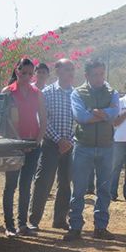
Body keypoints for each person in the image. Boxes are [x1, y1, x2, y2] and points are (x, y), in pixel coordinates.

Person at [64, 59, 119, 241]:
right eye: (95, 74)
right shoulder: (77, 93)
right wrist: (104, 114)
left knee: (104, 189)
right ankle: (75, 227)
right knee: (78, 189)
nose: (99, 78)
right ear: (86, 76)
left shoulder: (112, 92)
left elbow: (115, 114)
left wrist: (94, 112)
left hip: (106, 146)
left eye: (101, 74)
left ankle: (101, 227)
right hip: (83, 146)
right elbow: (80, 117)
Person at [0, 58, 47, 237]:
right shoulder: (8, 92)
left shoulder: (37, 93)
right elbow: (3, 122)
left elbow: (43, 119)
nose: (26, 76)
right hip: (12, 146)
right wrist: (16, 142)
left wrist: (37, 141)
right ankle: (9, 226)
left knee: (26, 185)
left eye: (30, 73)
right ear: (17, 71)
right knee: (10, 185)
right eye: (23, 72)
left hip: (32, 144)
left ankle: (22, 225)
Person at [28, 59, 76, 231]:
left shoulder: (75, 95)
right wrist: (58, 140)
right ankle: (33, 221)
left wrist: (68, 141)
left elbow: (77, 122)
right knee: (43, 182)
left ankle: (60, 220)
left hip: (69, 146)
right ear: (57, 72)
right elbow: (43, 120)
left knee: (65, 183)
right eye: (66, 69)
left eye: (72, 69)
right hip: (50, 144)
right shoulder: (47, 93)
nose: (70, 73)